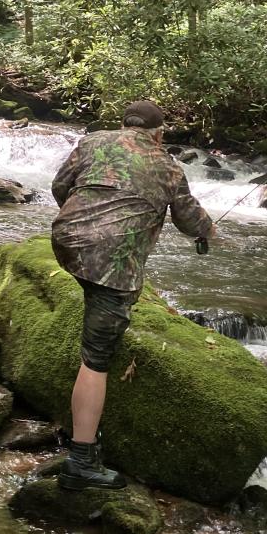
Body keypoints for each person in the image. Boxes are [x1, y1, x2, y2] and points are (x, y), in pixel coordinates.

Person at [50, 99, 215, 490]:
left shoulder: (93, 142)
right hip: (113, 264)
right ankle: (81, 461)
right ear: (159, 132)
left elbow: (60, 186)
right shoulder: (168, 166)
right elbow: (189, 220)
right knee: (97, 359)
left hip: (67, 240)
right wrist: (207, 232)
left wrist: (84, 224)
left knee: (95, 296)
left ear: (123, 124)